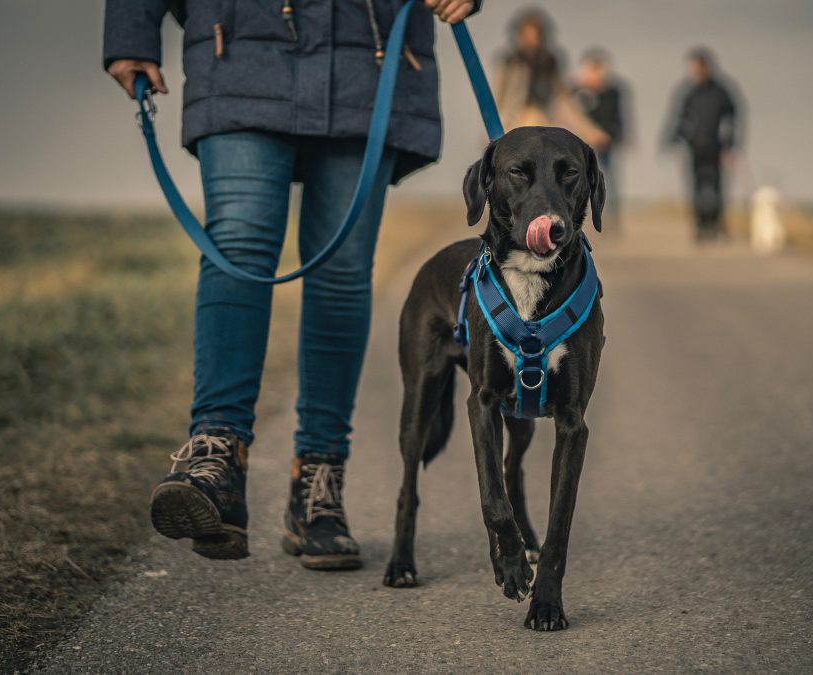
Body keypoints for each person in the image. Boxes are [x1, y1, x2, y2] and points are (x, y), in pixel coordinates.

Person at [103, 0, 478, 571]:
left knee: (343, 272)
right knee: (237, 245)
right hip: (239, 44)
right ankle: (216, 458)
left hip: (367, 55)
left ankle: (318, 484)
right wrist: (131, 27)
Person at [493, 8, 608, 150]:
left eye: (534, 36)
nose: (531, 41)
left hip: (544, 122)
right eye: (526, 36)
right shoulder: (509, 64)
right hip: (514, 124)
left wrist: (590, 132)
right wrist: (492, 134)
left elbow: (564, 102)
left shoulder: (549, 63)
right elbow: (496, 98)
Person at [662, 46, 743, 241]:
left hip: (716, 148)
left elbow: (732, 118)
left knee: (716, 187)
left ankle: (716, 224)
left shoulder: (721, 91)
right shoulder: (688, 91)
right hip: (694, 147)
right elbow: (680, 117)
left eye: (695, 67)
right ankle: (700, 225)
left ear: (705, 66)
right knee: (696, 187)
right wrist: (673, 137)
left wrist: (730, 145)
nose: (692, 71)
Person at [573, 48, 628, 228]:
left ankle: (610, 221)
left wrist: (617, 137)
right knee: (577, 181)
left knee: (608, 181)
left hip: (605, 144)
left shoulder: (613, 92)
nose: (597, 74)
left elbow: (619, 117)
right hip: (581, 144)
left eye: (600, 70)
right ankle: (579, 218)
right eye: (593, 69)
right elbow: (571, 116)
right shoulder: (576, 91)